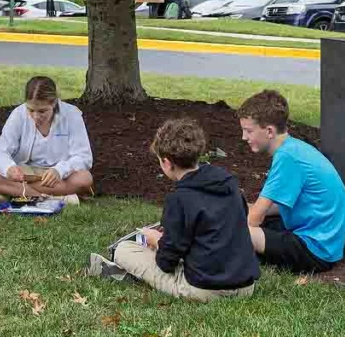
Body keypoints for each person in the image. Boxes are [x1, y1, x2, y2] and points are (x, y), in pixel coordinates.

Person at [89, 118, 259, 301]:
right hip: (245, 286)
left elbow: (166, 263)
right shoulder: (228, 181)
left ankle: (127, 273)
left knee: (124, 249)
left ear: (167, 162)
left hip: (203, 288)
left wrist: (158, 241)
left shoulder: (179, 199)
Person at [237, 90, 345, 273]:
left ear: (269, 131)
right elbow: (278, 205)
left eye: (248, 131)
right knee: (241, 220)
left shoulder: (287, 158)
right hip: (324, 243)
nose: (244, 137)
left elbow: (254, 218)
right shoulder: (295, 148)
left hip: (315, 250)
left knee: (235, 230)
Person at [0, 76, 94, 202]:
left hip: (57, 175)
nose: (36, 116)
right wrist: (9, 168)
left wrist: (59, 170)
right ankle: (50, 196)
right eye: (31, 110)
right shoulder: (18, 114)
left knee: (84, 178)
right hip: (24, 172)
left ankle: (12, 191)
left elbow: (83, 157)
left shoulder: (72, 115)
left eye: (42, 111)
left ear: (54, 103)